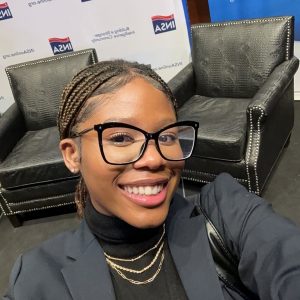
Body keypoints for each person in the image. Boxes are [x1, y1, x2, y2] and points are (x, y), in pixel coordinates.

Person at [3, 60, 300, 300]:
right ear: (72, 154)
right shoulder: (37, 278)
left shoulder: (225, 212)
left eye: (168, 136)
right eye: (120, 138)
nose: (155, 159)